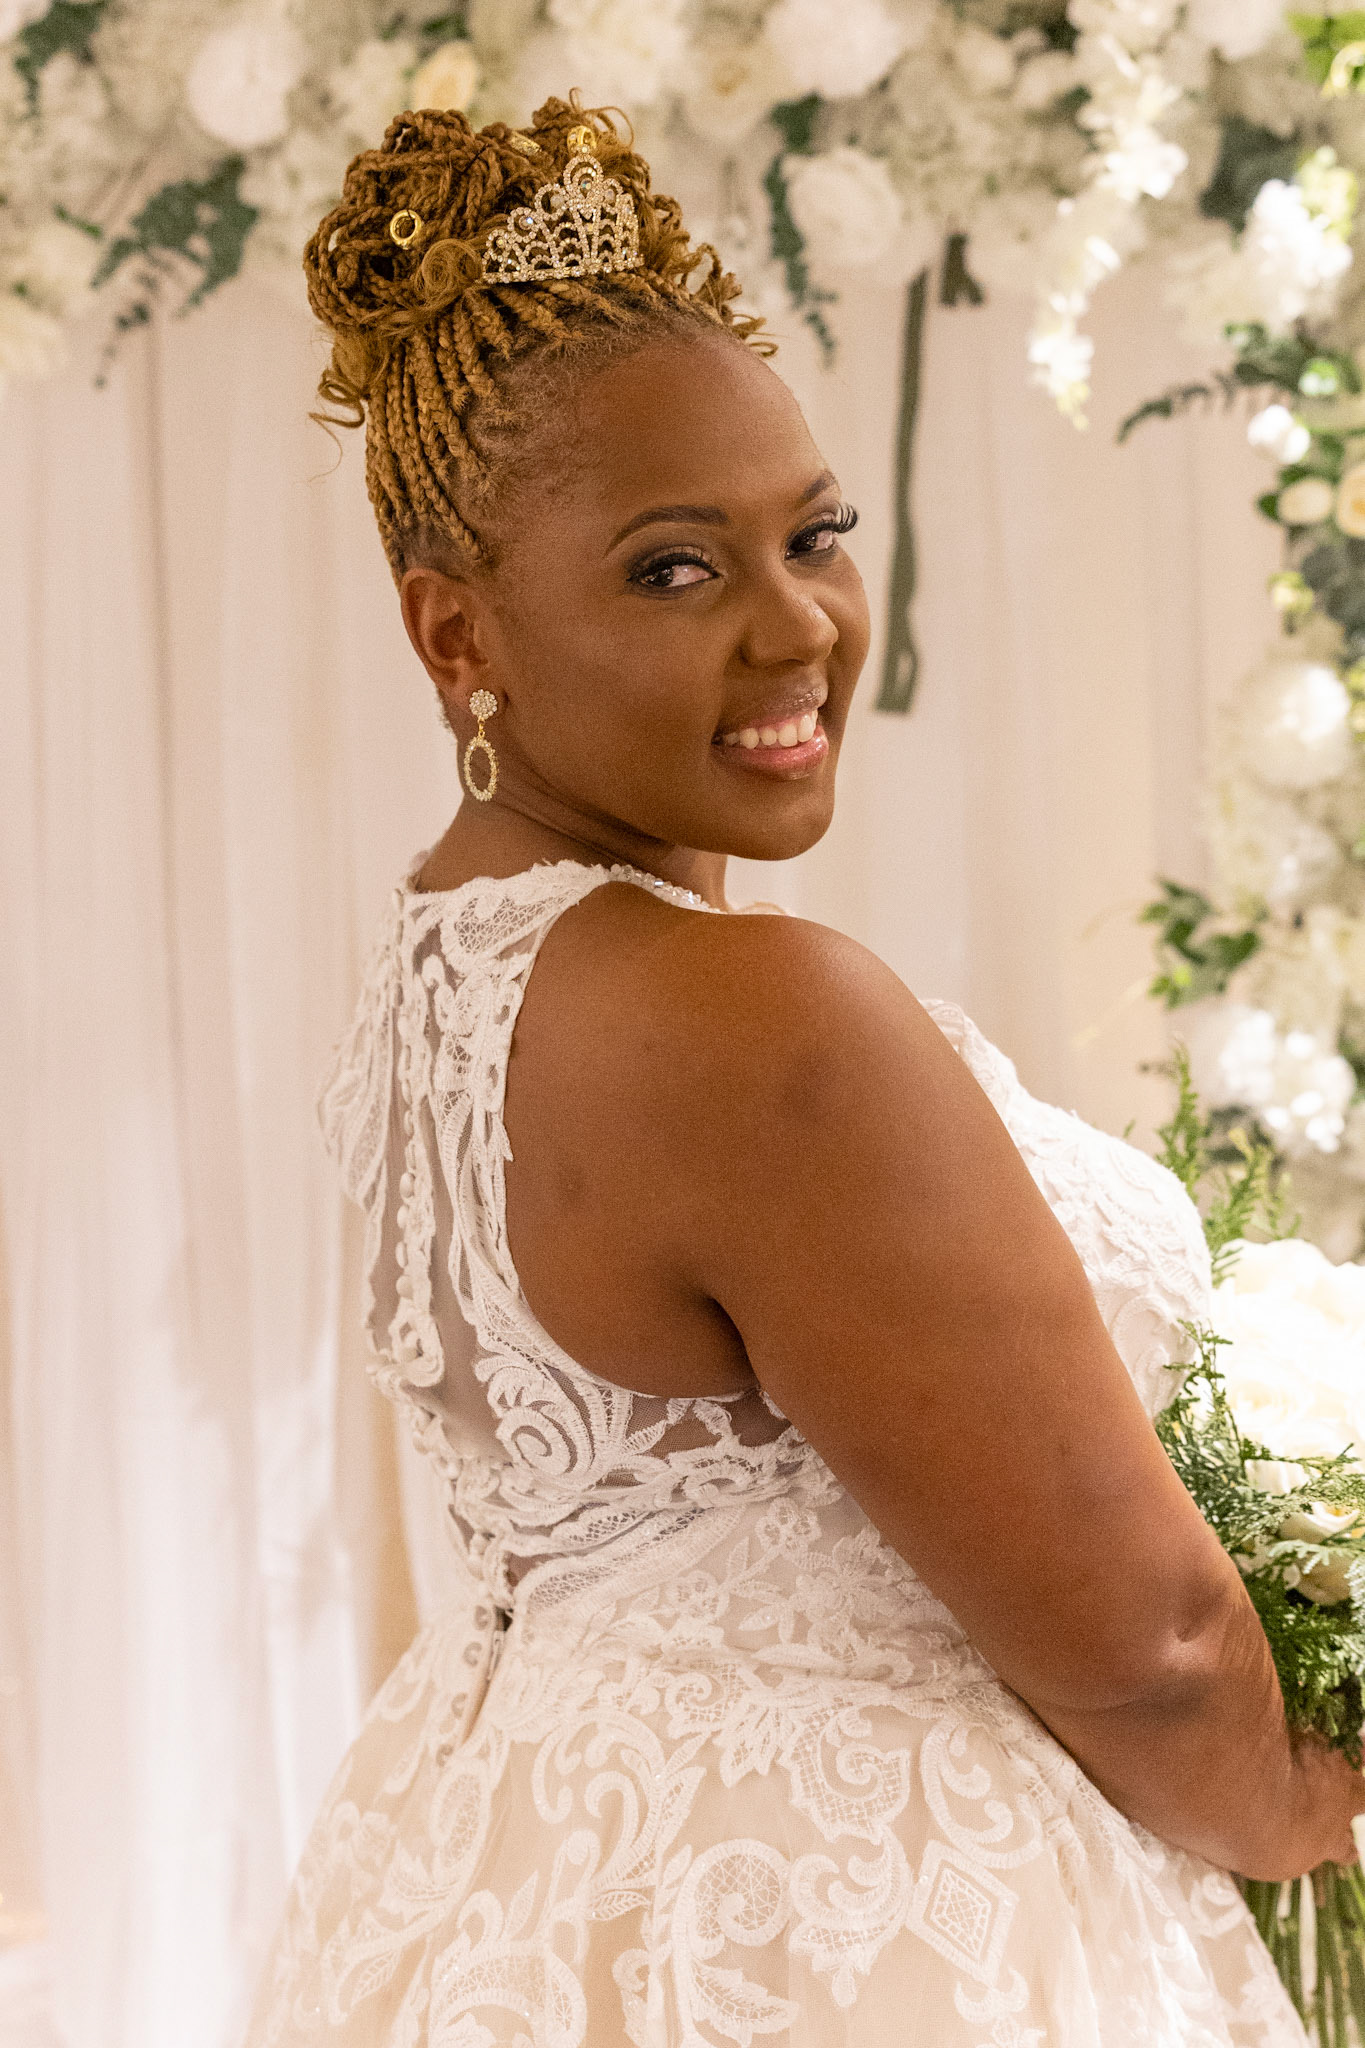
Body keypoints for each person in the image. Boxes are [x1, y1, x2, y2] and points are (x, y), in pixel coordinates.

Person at [246, 96, 1365, 2047]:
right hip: (859, 1934)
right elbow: (1158, 1650)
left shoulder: (441, 975)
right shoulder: (751, 1018)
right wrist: (1306, 1816)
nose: (797, 628)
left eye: (813, 536)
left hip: (528, 1889)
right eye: (672, 571)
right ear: (454, 631)